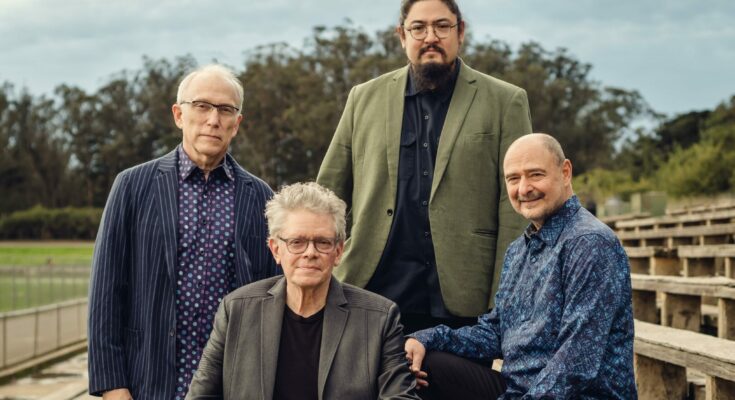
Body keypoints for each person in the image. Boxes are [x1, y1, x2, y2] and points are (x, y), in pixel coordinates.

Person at [317, 0, 532, 333]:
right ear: (402, 36)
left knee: (455, 387)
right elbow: (328, 195)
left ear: (460, 32)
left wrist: (502, 300)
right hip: (371, 292)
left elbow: (516, 208)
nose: (430, 36)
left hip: (465, 301)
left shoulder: (506, 101)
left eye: (442, 26)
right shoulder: (362, 98)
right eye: (418, 27)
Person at [88, 64, 280, 399]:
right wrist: (112, 387)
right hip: (148, 382)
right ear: (179, 114)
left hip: (232, 385)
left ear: (237, 123)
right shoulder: (133, 186)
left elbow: (275, 297)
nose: (213, 119)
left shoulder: (261, 196)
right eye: (202, 106)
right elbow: (106, 292)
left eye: (225, 110)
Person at [404, 134, 637, 399]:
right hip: (517, 390)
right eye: (513, 179)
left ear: (565, 172)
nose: (524, 189)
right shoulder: (518, 250)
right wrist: (425, 338)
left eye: (535, 175)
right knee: (423, 364)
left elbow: (577, 362)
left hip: (580, 395)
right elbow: (494, 333)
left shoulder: (590, 242)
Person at [186, 182, 420, 399]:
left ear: (338, 251)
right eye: (297, 242)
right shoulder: (235, 309)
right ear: (276, 249)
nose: (310, 252)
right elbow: (200, 395)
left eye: (323, 242)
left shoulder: (380, 318)